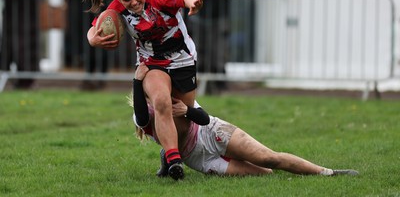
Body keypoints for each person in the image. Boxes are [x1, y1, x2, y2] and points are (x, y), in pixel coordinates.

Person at [132, 63, 359, 177]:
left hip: (211, 132)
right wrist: (136, 80)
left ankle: (328, 172)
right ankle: (170, 155)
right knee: (264, 174)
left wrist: (186, 110)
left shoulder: (177, 96)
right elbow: (142, 118)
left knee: (268, 159)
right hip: (198, 159)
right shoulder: (145, 111)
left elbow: (202, 119)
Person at [84, 0, 204, 180]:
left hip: (182, 59)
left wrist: (193, 3)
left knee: (183, 120)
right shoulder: (118, 7)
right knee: (161, 102)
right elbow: (94, 28)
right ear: (120, 0)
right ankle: (175, 161)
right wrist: (92, 39)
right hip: (151, 63)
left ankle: (166, 154)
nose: (133, 2)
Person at [180, 0, 238, 93]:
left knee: (219, 52)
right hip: (197, 17)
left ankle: (219, 85)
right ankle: (195, 84)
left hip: (219, 16)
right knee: (197, 50)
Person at [57, 0, 111, 90]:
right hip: (77, 12)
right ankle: (88, 76)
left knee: (100, 41)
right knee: (84, 43)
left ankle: (101, 77)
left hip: (97, 10)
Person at [0, 0, 39, 89]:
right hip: (9, 12)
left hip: (27, 13)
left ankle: (26, 81)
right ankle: (7, 77)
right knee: (7, 45)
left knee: (25, 47)